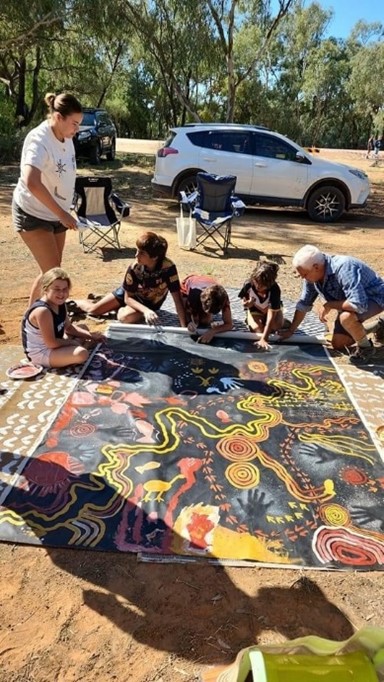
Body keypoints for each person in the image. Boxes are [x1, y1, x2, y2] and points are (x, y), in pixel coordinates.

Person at [13, 92, 83, 306]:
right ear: (58, 117)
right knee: (55, 275)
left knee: (50, 272)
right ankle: (47, 325)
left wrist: (66, 210)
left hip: (57, 215)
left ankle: (31, 320)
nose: (77, 129)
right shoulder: (39, 139)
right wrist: (61, 213)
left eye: (79, 124)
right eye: (74, 123)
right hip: (33, 213)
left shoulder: (67, 136)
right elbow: (31, 181)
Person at [279, 245, 384, 362]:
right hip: (351, 304)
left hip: (376, 296)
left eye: (304, 274)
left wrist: (330, 305)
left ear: (316, 267)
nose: (303, 278)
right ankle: (379, 326)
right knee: (338, 343)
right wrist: (291, 330)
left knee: (346, 317)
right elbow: (304, 303)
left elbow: (358, 304)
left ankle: (365, 348)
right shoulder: (312, 275)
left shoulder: (344, 267)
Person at [75, 232, 187, 327]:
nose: (136, 255)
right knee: (94, 310)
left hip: (150, 302)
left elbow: (177, 299)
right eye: (137, 250)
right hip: (130, 295)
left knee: (124, 317)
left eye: (141, 253)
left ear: (154, 257)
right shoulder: (135, 268)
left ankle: (117, 308)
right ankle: (70, 303)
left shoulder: (168, 268)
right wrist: (146, 312)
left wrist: (184, 327)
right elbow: (128, 298)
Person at [21, 268, 105, 369]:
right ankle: (84, 347)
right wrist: (72, 342)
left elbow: (68, 328)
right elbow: (51, 343)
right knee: (81, 353)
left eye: (65, 289)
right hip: (41, 353)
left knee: (83, 328)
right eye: (57, 289)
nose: (61, 293)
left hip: (54, 343)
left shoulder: (59, 303)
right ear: (45, 289)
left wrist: (91, 336)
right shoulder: (43, 311)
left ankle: (79, 346)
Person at [238, 261, 286, 350]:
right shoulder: (248, 284)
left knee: (275, 326)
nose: (258, 287)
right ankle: (250, 318)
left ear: (269, 284)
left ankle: (282, 319)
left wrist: (264, 338)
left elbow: (271, 315)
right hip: (255, 309)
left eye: (262, 285)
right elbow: (243, 301)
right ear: (254, 278)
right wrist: (247, 304)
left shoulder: (275, 289)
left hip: (271, 310)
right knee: (258, 329)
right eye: (256, 282)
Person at [181, 274, 232, 344]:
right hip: (189, 283)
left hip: (204, 282)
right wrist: (189, 322)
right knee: (195, 321)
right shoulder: (193, 295)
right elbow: (185, 312)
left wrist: (212, 332)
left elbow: (229, 324)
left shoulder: (223, 297)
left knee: (205, 322)